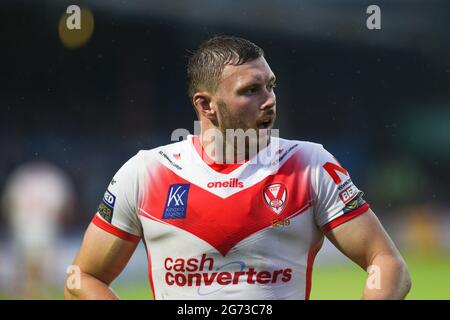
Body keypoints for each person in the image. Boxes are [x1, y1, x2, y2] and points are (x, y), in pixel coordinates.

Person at [64, 35, 411, 300]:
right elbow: (82, 279)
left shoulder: (309, 165)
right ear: (207, 105)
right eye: (251, 90)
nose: (269, 99)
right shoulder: (146, 172)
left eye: (270, 85)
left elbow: (387, 262)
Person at [2, 160, 74, 298]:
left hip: (26, 228)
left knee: (31, 272)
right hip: (42, 228)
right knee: (36, 272)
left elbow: (8, 205)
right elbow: (67, 208)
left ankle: (31, 293)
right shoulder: (52, 178)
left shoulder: (21, 177)